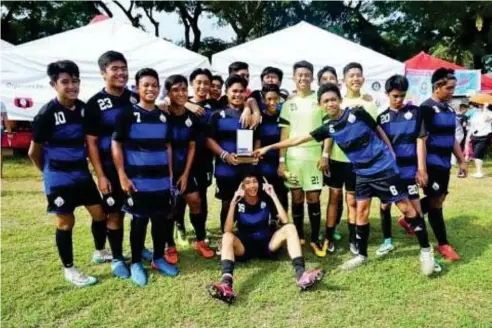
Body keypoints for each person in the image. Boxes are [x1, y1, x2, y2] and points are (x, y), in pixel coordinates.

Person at [255, 83, 439, 275]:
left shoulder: (358, 113)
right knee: (361, 212)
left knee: (406, 208)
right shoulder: (329, 127)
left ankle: (426, 252)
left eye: (333, 99)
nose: (330, 103)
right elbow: (297, 139)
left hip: (383, 168)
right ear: (320, 105)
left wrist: (390, 150)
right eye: (326, 101)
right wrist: (268, 148)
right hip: (361, 172)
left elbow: (378, 130)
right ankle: (361, 254)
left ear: (340, 100)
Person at [28, 60, 105, 287]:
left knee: (99, 213)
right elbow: (34, 151)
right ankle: (70, 269)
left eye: (75, 81)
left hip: (81, 174)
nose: (71, 86)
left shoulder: (83, 109)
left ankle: (100, 251)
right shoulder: (45, 115)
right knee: (65, 222)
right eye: (65, 82)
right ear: (54, 84)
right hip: (59, 177)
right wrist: (48, 172)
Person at [207, 174, 324, 303]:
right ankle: (226, 285)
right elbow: (227, 230)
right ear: (242, 186)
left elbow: (285, 220)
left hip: (267, 244)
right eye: (247, 183)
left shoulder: (265, 198)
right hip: (244, 247)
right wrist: (234, 201)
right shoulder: (237, 201)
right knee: (227, 237)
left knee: (290, 228)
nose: (252, 185)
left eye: (255, 181)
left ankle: (301, 274)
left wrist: (273, 195)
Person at [111, 68, 179, 286]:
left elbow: (167, 146)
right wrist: (122, 175)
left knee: (160, 221)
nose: (151, 89)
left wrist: (169, 174)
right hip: (138, 181)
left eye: (154, 85)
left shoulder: (162, 116)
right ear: (137, 88)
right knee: (139, 222)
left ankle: (158, 258)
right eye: (146, 85)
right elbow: (116, 144)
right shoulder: (126, 115)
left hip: (160, 181)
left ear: (159, 88)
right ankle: (137, 262)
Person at [85, 51, 139, 276]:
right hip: (109, 169)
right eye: (115, 69)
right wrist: (101, 175)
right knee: (115, 213)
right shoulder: (94, 103)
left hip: (137, 167)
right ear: (103, 73)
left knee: (139, 212)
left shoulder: (135, 98)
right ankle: (117, 258)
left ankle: (138, 250)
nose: (121, 73)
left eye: (123, 68)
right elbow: (91, 143)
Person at [164, 74, 214, 263]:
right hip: (166, 169)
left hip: (187, 168)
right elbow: (166, 146)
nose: (180, 93)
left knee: (195, 201)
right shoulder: (163, 114)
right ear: (168, 92)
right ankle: (170, 246)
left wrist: (185, 174)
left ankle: (200, 241)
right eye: (175, 89)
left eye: (183, 89)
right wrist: (170, 176)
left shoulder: (191, 116)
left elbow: (192, 146)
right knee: (169, 208)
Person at [375, 75, 427, 256]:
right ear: (387, 94)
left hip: (410, 170)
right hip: (390, 172)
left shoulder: (415, 112)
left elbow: (420, 141)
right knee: (385, 206)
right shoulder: (381, 119)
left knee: (416, 210)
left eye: (402, 96)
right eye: (395, 96)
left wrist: (421, 169)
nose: (398, 100)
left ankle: (425, 250)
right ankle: (387, 241)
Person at [419, 68, 467, 261]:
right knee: (436, 202)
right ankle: (443, 244)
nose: (452, 92)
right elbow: (420, 140)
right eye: (449, 88)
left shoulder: (449, 109)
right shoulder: (426, 108)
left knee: (439, 198)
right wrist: (421, 169)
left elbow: (452, 138)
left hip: (445, 164)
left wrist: (462, 160)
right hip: (431, 164)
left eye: (453, 88)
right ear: (437, 86)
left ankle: (408, 219)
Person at [278, 60, 325, 257]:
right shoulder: (288, 104)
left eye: (307, 75)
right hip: (294, 158)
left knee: (313, 198)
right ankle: (298, 236)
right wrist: (282, 161)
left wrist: (325, 155)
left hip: (314, 157)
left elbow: (328, 131)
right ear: (294, 77)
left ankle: (314, 238)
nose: (303, 78)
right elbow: (285, 134)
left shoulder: (321, 101)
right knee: (296, 198)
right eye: (300, 75)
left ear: (312, 77)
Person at [206, 75, 257, 253]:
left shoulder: (251, 115)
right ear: (226, 92)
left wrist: (255, 154)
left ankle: (244, 236)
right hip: (225, 170)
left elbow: (256, 138)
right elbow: (208, 139)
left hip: (247, 168)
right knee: (228, 204)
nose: (238, 94)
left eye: (241, 91)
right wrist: (224, 155)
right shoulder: (217, 115)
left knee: (248, 202)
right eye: (234, 91)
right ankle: (225, 237)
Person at [317, 65, 355, 251]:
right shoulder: (324, 115)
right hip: (334, 162)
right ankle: (329, 235)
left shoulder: (353, 107)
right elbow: (327, 135)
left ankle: (354, 238)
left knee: (352, 200)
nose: (331, 103)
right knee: (334, 197)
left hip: (354, 163)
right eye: (325, 79)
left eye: (332, 79)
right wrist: (325, 155)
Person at [254, 84, 288, 220]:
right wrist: (256, 157)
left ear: (279, 98)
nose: (272, 102)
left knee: (282, 195)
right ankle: (266, 222)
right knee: (265, 194)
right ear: (263, 100)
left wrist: (282, 162)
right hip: (264, 164)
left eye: (275, 99)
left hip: (280, 161)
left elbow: (285, 140)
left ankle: (282, 223)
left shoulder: (284, 116)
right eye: (268, 99)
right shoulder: (259, 118)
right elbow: (257, 139)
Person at [468, 93, 492, 178]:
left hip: (484, 136)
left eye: (482, 105)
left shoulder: (489, 113)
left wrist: (486, 108)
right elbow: (472, 125)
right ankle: (478, 171)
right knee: (475, 154)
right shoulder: (476, 113)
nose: (479, 106)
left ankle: (479, 172)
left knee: (478, 154)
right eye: (479, 104)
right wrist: (469, 136)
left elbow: (486, 119)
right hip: (475, 135)